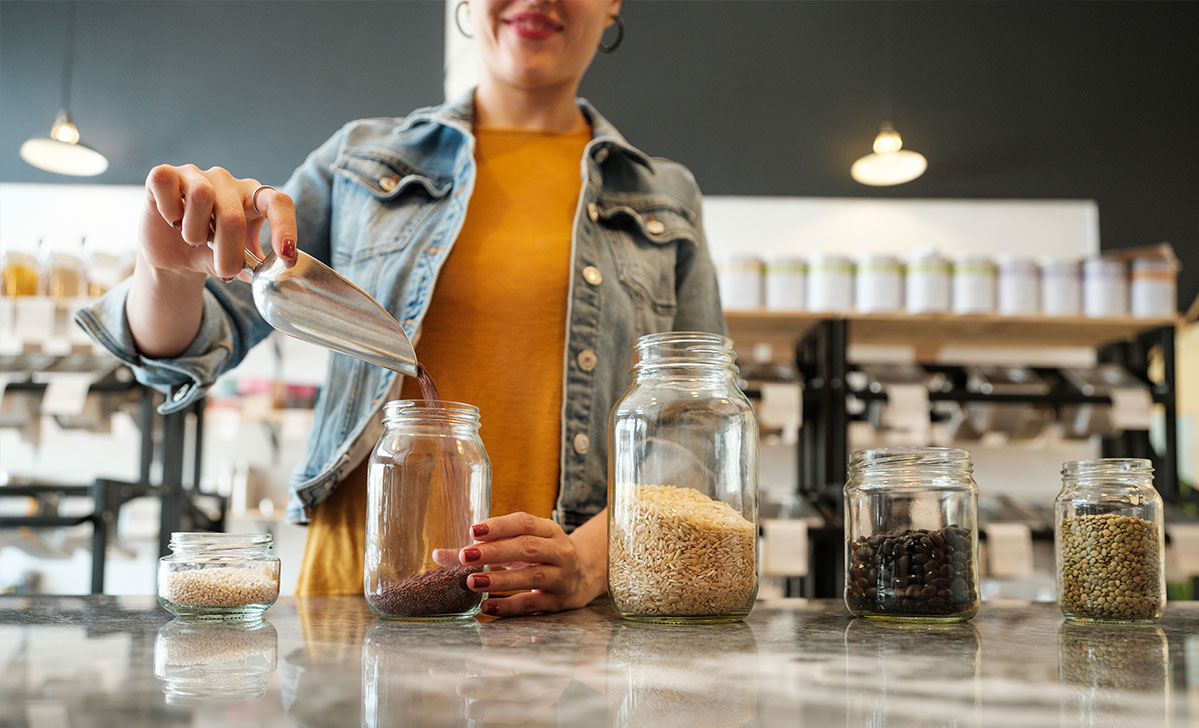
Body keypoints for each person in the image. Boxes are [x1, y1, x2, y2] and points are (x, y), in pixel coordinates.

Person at [76, 0, 725, 617]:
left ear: (614, 5)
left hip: (562, 624)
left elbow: (692, 430)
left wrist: (586, 563)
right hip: (353, 606)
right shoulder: (360, 161)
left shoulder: (664, 197)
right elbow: (181, 349)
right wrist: (165, 268)